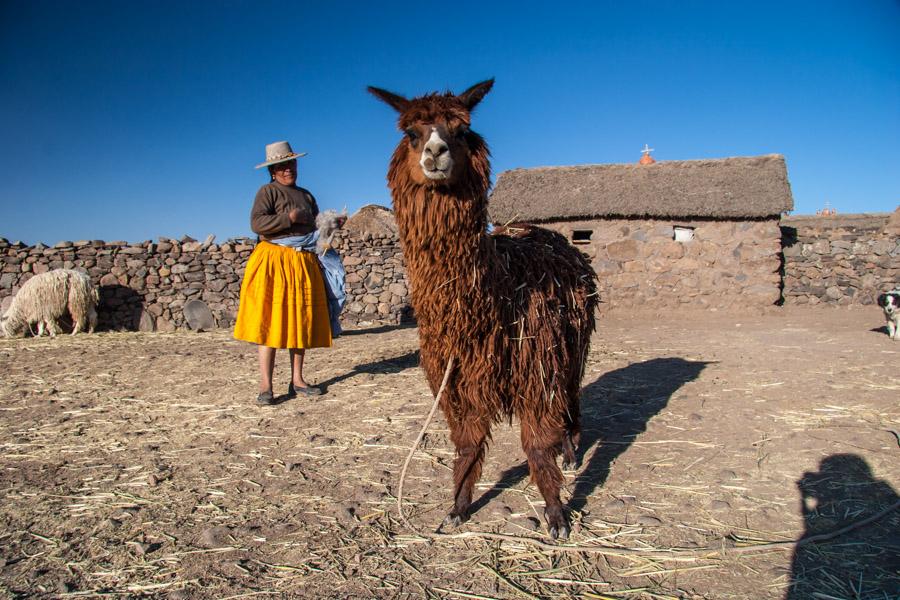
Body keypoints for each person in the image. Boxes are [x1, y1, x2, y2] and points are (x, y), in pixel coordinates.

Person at [233, 140, 339, 405]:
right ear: (272, 170)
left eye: (290, 164)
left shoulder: (306, 195)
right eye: (281, 166)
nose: (287, 170)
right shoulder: (267, 192)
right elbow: (257, 224)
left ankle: (298, 381)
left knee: (299, 321)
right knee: (269, 322)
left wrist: (331, 224)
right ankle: (266, 386)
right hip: (274, 262)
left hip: (302, 262)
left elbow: (315, 227)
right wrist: (287, 219)